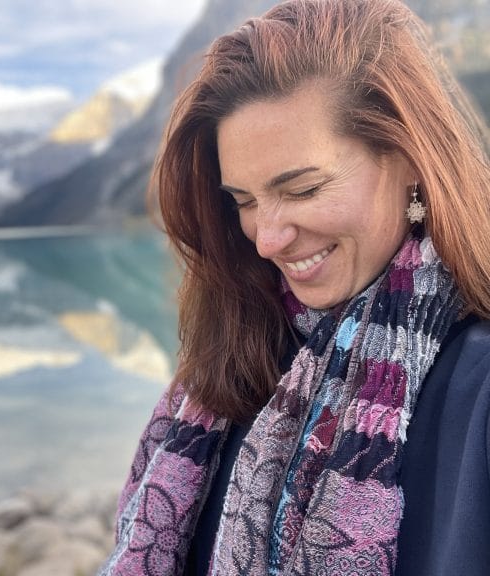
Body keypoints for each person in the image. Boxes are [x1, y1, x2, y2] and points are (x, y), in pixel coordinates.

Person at [98, 0, 490, 574]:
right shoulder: (233, 369)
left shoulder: (478, 393)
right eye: (244, 201)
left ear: (410, 159)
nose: (267, 240)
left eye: (303, 190)